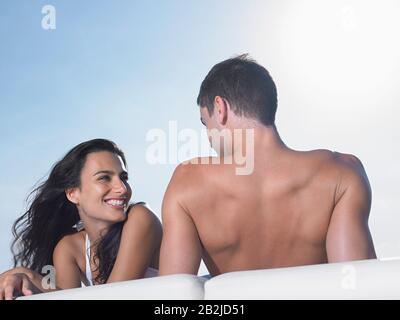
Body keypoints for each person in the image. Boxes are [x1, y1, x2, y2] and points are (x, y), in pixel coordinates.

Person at [159, 54, 376, 276]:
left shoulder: (186, 183)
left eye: (206, 123)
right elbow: (357, 289)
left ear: (220, 107)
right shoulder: (342, 174)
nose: (208, 138)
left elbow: (173, 300)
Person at [0, 139, 162, 299]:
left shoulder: (141, 218)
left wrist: (31, 276)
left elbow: (113, 297)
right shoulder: (70, 247)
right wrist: (22, 279)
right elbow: (66, 298)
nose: (122, 188)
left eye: (124, 177)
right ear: (73, 193)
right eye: (104, 178)